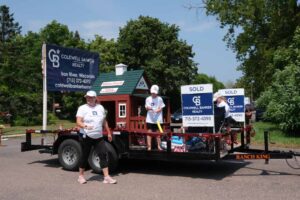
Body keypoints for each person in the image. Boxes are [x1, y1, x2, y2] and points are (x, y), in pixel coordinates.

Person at [76, 90, 117, 184]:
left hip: (98, 136)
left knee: (103, 154)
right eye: (87, 97)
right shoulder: (82, 108)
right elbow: (78, 121)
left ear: (95, 98)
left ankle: (106, 177)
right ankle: (81, 176)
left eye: (91, 97)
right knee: (84, 155)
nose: (89, 99)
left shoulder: (100, 108)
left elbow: (104, 121)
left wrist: (109, 133)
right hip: (86, 136)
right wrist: (85, 126)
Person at [145, 85, 165, 151]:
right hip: (149, 119)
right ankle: (149, 147)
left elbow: (161, 108)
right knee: (149, 133)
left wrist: (157, 110)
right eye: (152, 93)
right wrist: (148, 108)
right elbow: (146, 107)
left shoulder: (160, 99)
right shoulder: (148, 99)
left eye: (154, 93)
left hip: (158, 120)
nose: (153, 94)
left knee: (158, 133)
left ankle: (159, 146)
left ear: (157, 92)